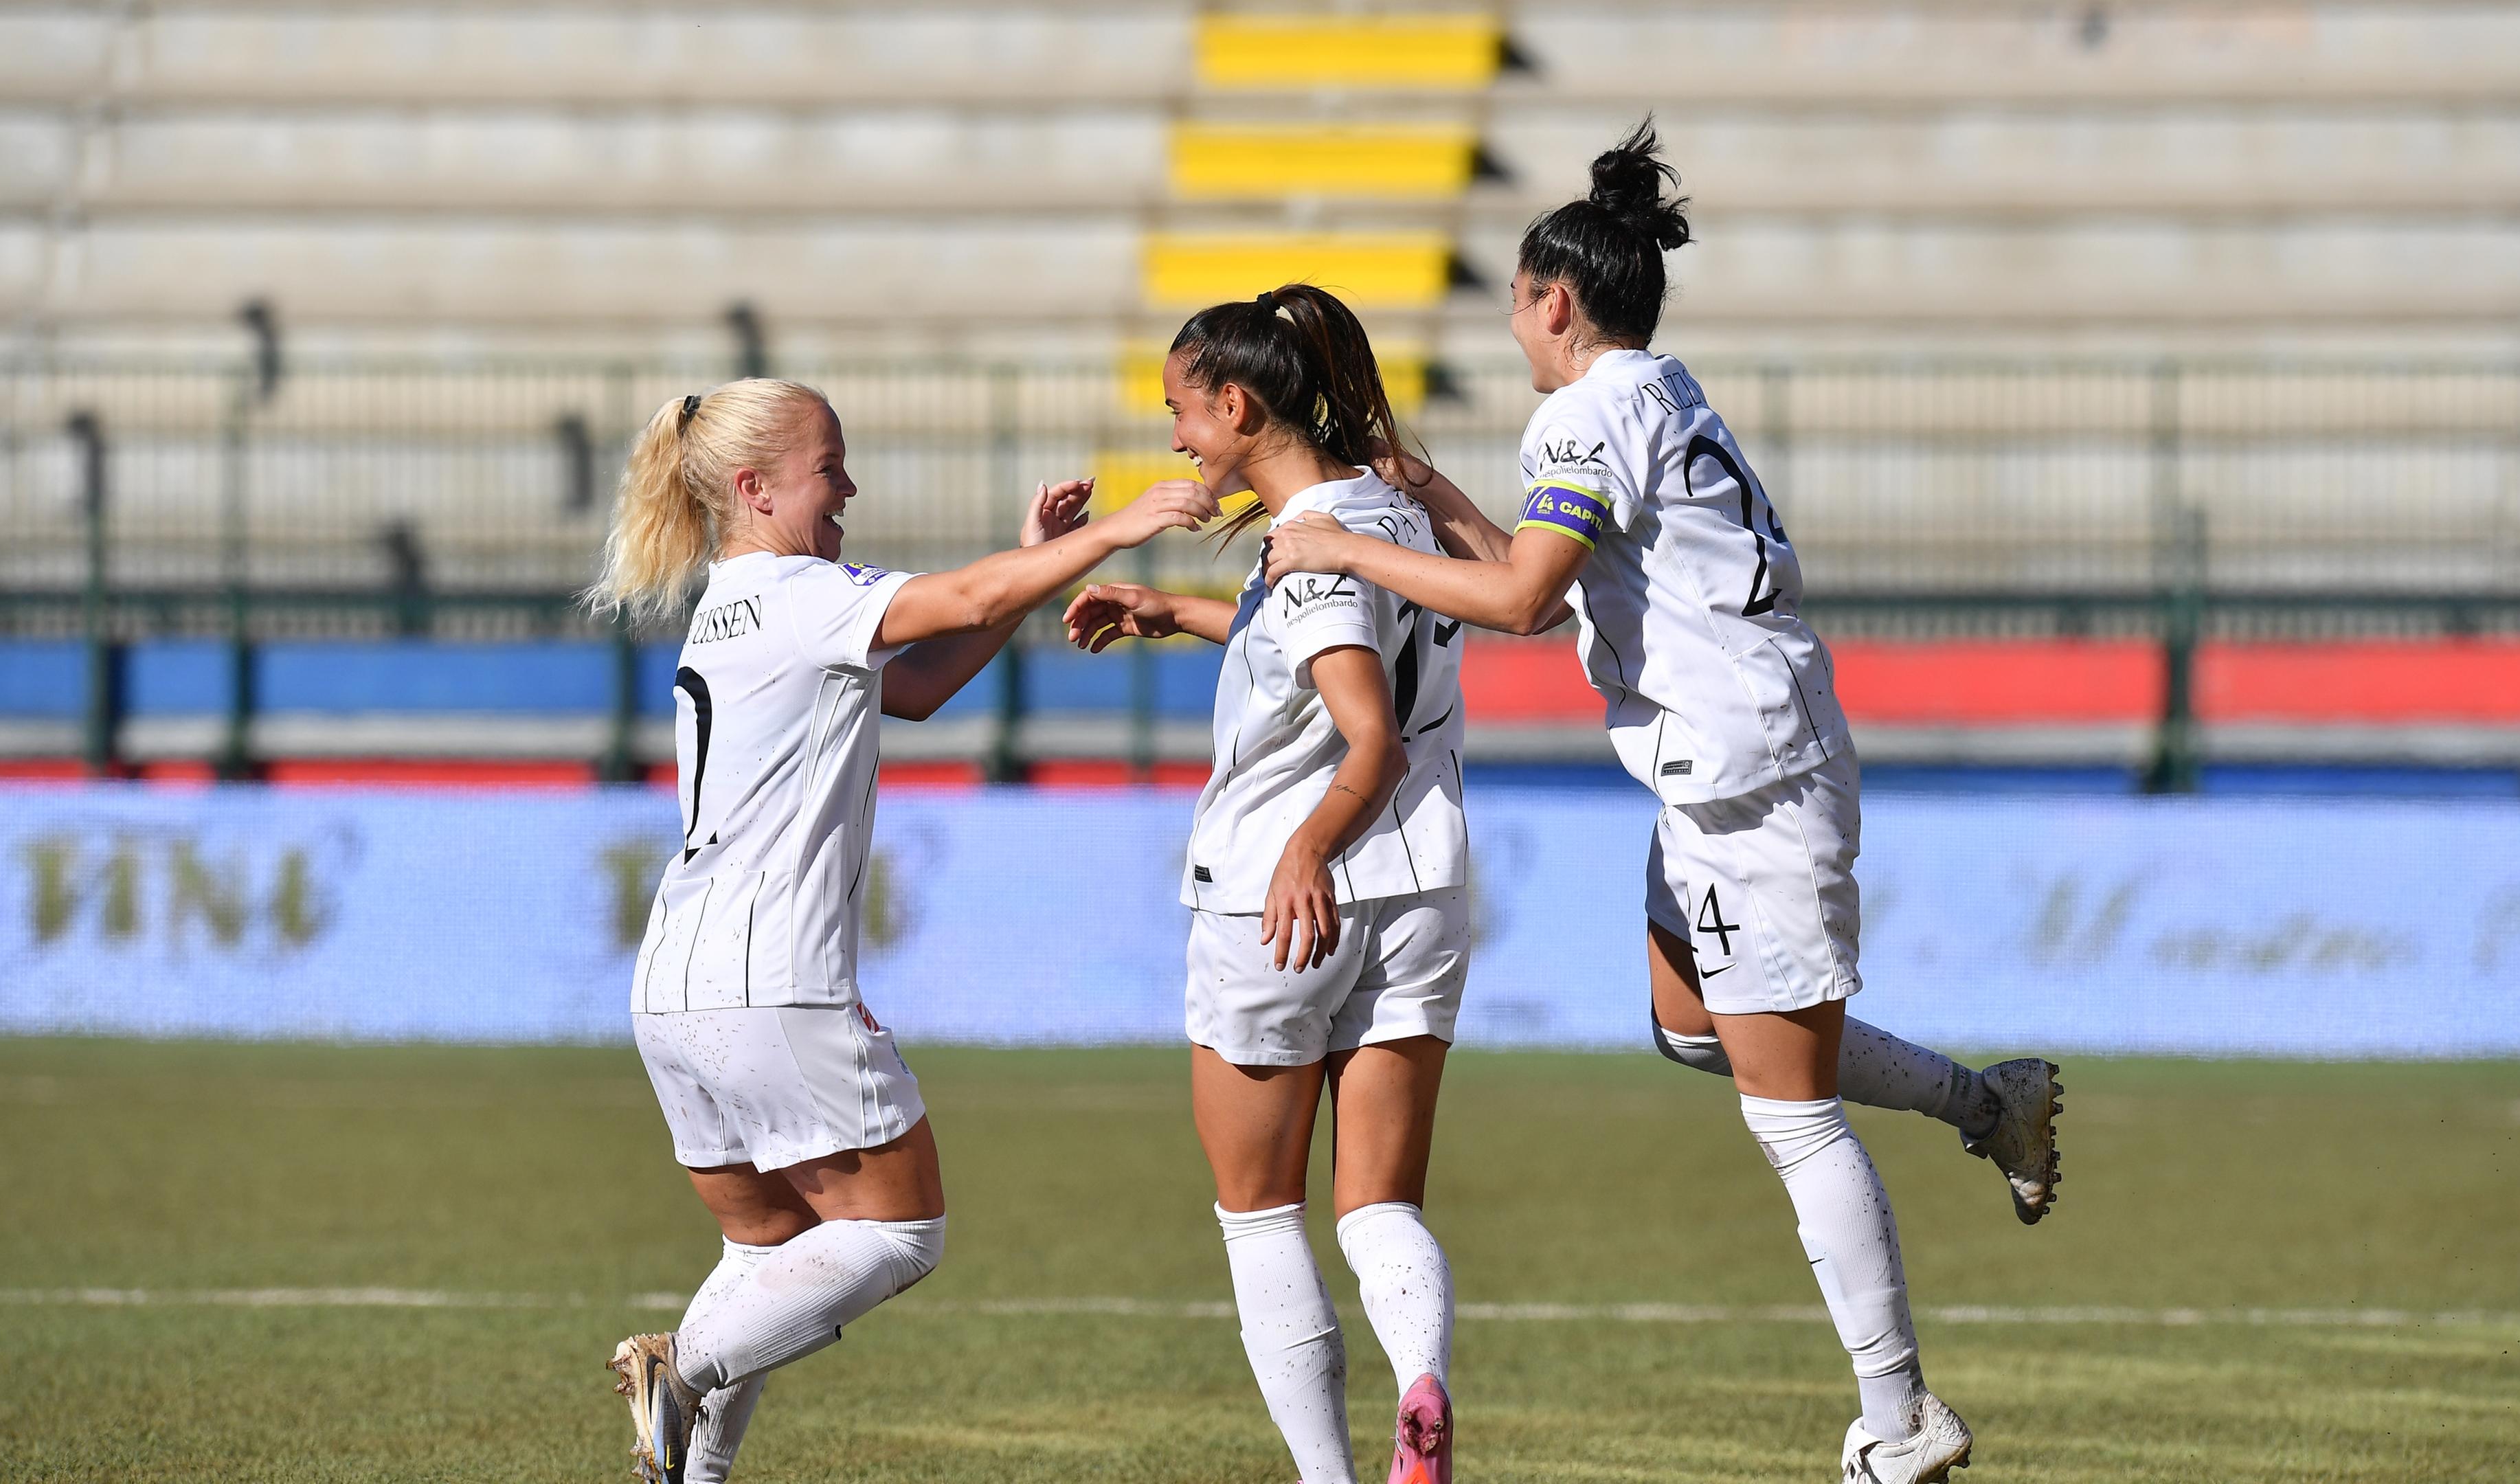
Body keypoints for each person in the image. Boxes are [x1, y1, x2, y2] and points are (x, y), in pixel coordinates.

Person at [1263, 125, 2059, 1483]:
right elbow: (1548, 571)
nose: (1514, 327)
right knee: (1696, 1031)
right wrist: (1428, 493)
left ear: (1553, 301)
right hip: (1733, 769)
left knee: (1788, 1112)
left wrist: (1340, 544)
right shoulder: (1653, 389)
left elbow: (1517, 602)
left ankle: (1901, 1414)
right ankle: (1989, 1107)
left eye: (1516, 302)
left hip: (1749, 784)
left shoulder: (1579, 415)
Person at [581, 376, 1217, 1484]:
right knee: (899, 1232)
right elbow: (960, 599)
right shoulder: (796, 589)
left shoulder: (736, 601)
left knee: (768, 1248)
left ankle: (688, 1467)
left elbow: (915, 686)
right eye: (830, 467)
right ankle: (683, 1367)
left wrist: (1022, 575)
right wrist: (1115, 531)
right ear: (755, 488)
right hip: (770, 977)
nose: (849, 488)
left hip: (672, 982)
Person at [1061, 284, 1467, 1484]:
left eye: (1184, 411)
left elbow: (1365, 727)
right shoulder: (1387, 509)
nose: (1179, 437)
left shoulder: (1306, 547)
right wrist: (1173, 612)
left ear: (1237, 405)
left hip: (1286, 899)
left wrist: (1304, 848)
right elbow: (1320, 635)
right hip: (1423, 886)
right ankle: (1423, 1379)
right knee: (1380, 1202)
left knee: (1259, 1211)